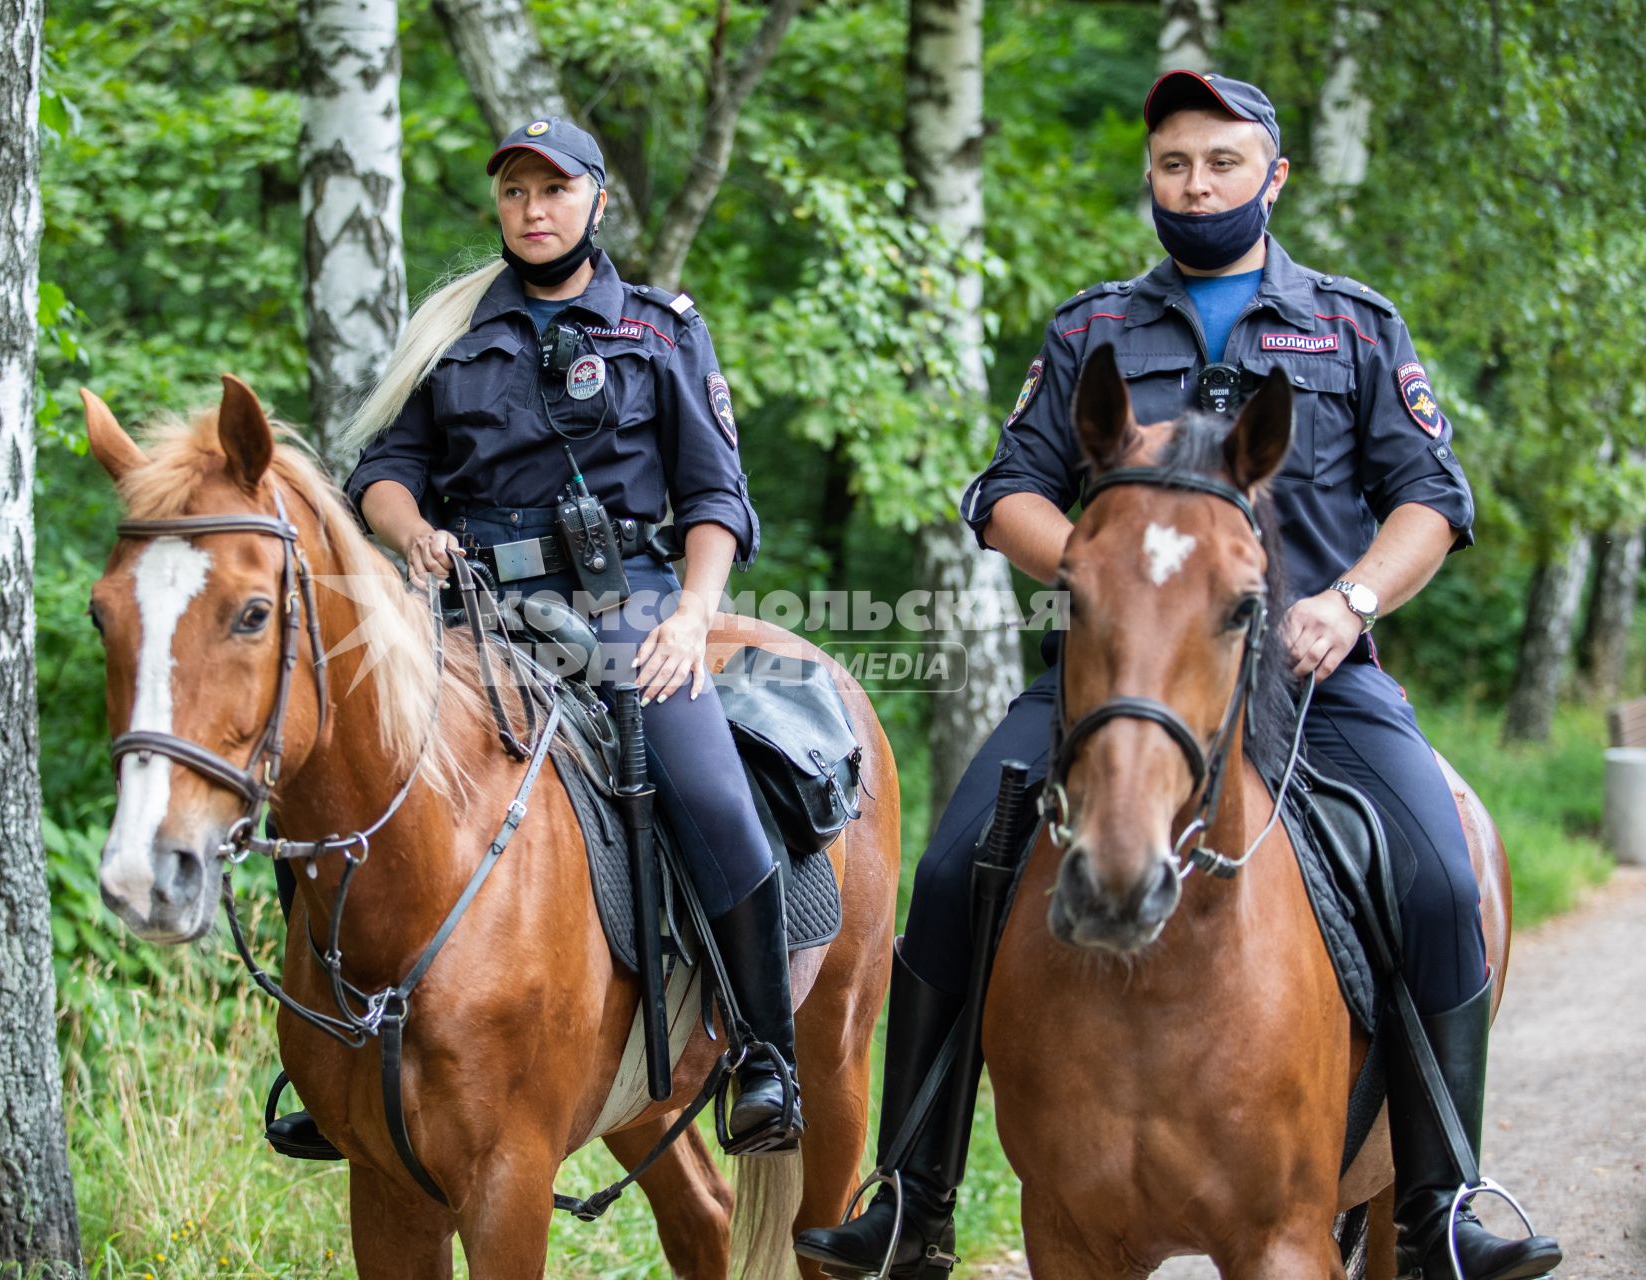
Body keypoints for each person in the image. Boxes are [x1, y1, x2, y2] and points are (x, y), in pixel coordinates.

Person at [795, 73, 1562, 1280]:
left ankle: (1441, 1201)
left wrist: (1347, 599)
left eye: (1219, 162)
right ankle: (915, 1194)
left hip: (1312, 674)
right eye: (1172, 166)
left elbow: (1431, 500)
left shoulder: (1353, 326)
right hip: (1119, 678)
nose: (1194, 185)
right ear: (1150, 177)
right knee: (950, 871)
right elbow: (1007, 495)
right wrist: (1108, 577)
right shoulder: (1093, 329)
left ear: (1273, 174)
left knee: (1435, 867)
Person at [264, 118, 801, 1161]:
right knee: (325, 776)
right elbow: (384, 469)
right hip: (473, 621)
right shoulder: (454, 335)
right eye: (514, 191)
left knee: (715, 794)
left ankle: (764, 1052)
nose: (533, 208)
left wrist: (693, 613)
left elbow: (715, 499)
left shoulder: (659, 329)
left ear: (597, 199)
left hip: (626, 612)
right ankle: (326, 1049)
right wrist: (412, 531)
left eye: (554, 189)